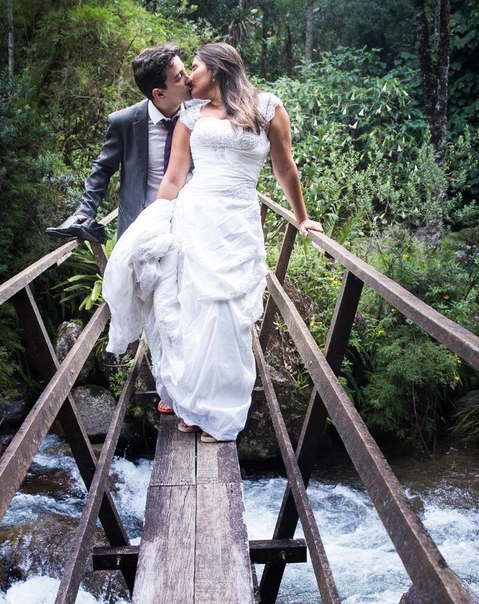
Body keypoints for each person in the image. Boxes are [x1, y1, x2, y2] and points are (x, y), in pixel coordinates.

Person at [103, 42, 322, 443]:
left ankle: (221, 415)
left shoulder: (267, 108)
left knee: (228, 316)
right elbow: (173, 176)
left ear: (218, 70)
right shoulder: (190, 114)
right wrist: (154, 221)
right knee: (193, 314)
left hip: (236, 221)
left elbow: (285, 168)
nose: (188, 78)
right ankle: (193, 404)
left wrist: (303, 218)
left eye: (196, 69)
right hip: (194, 218)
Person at [46, 44, 192, 243]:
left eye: (185, 70)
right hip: (141, 227)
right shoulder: (125, 122)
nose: (189, 78)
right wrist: (85, 211)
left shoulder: (202, 113)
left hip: (190, 223)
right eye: (179, 77)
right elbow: (103, 169)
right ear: (159, 93)